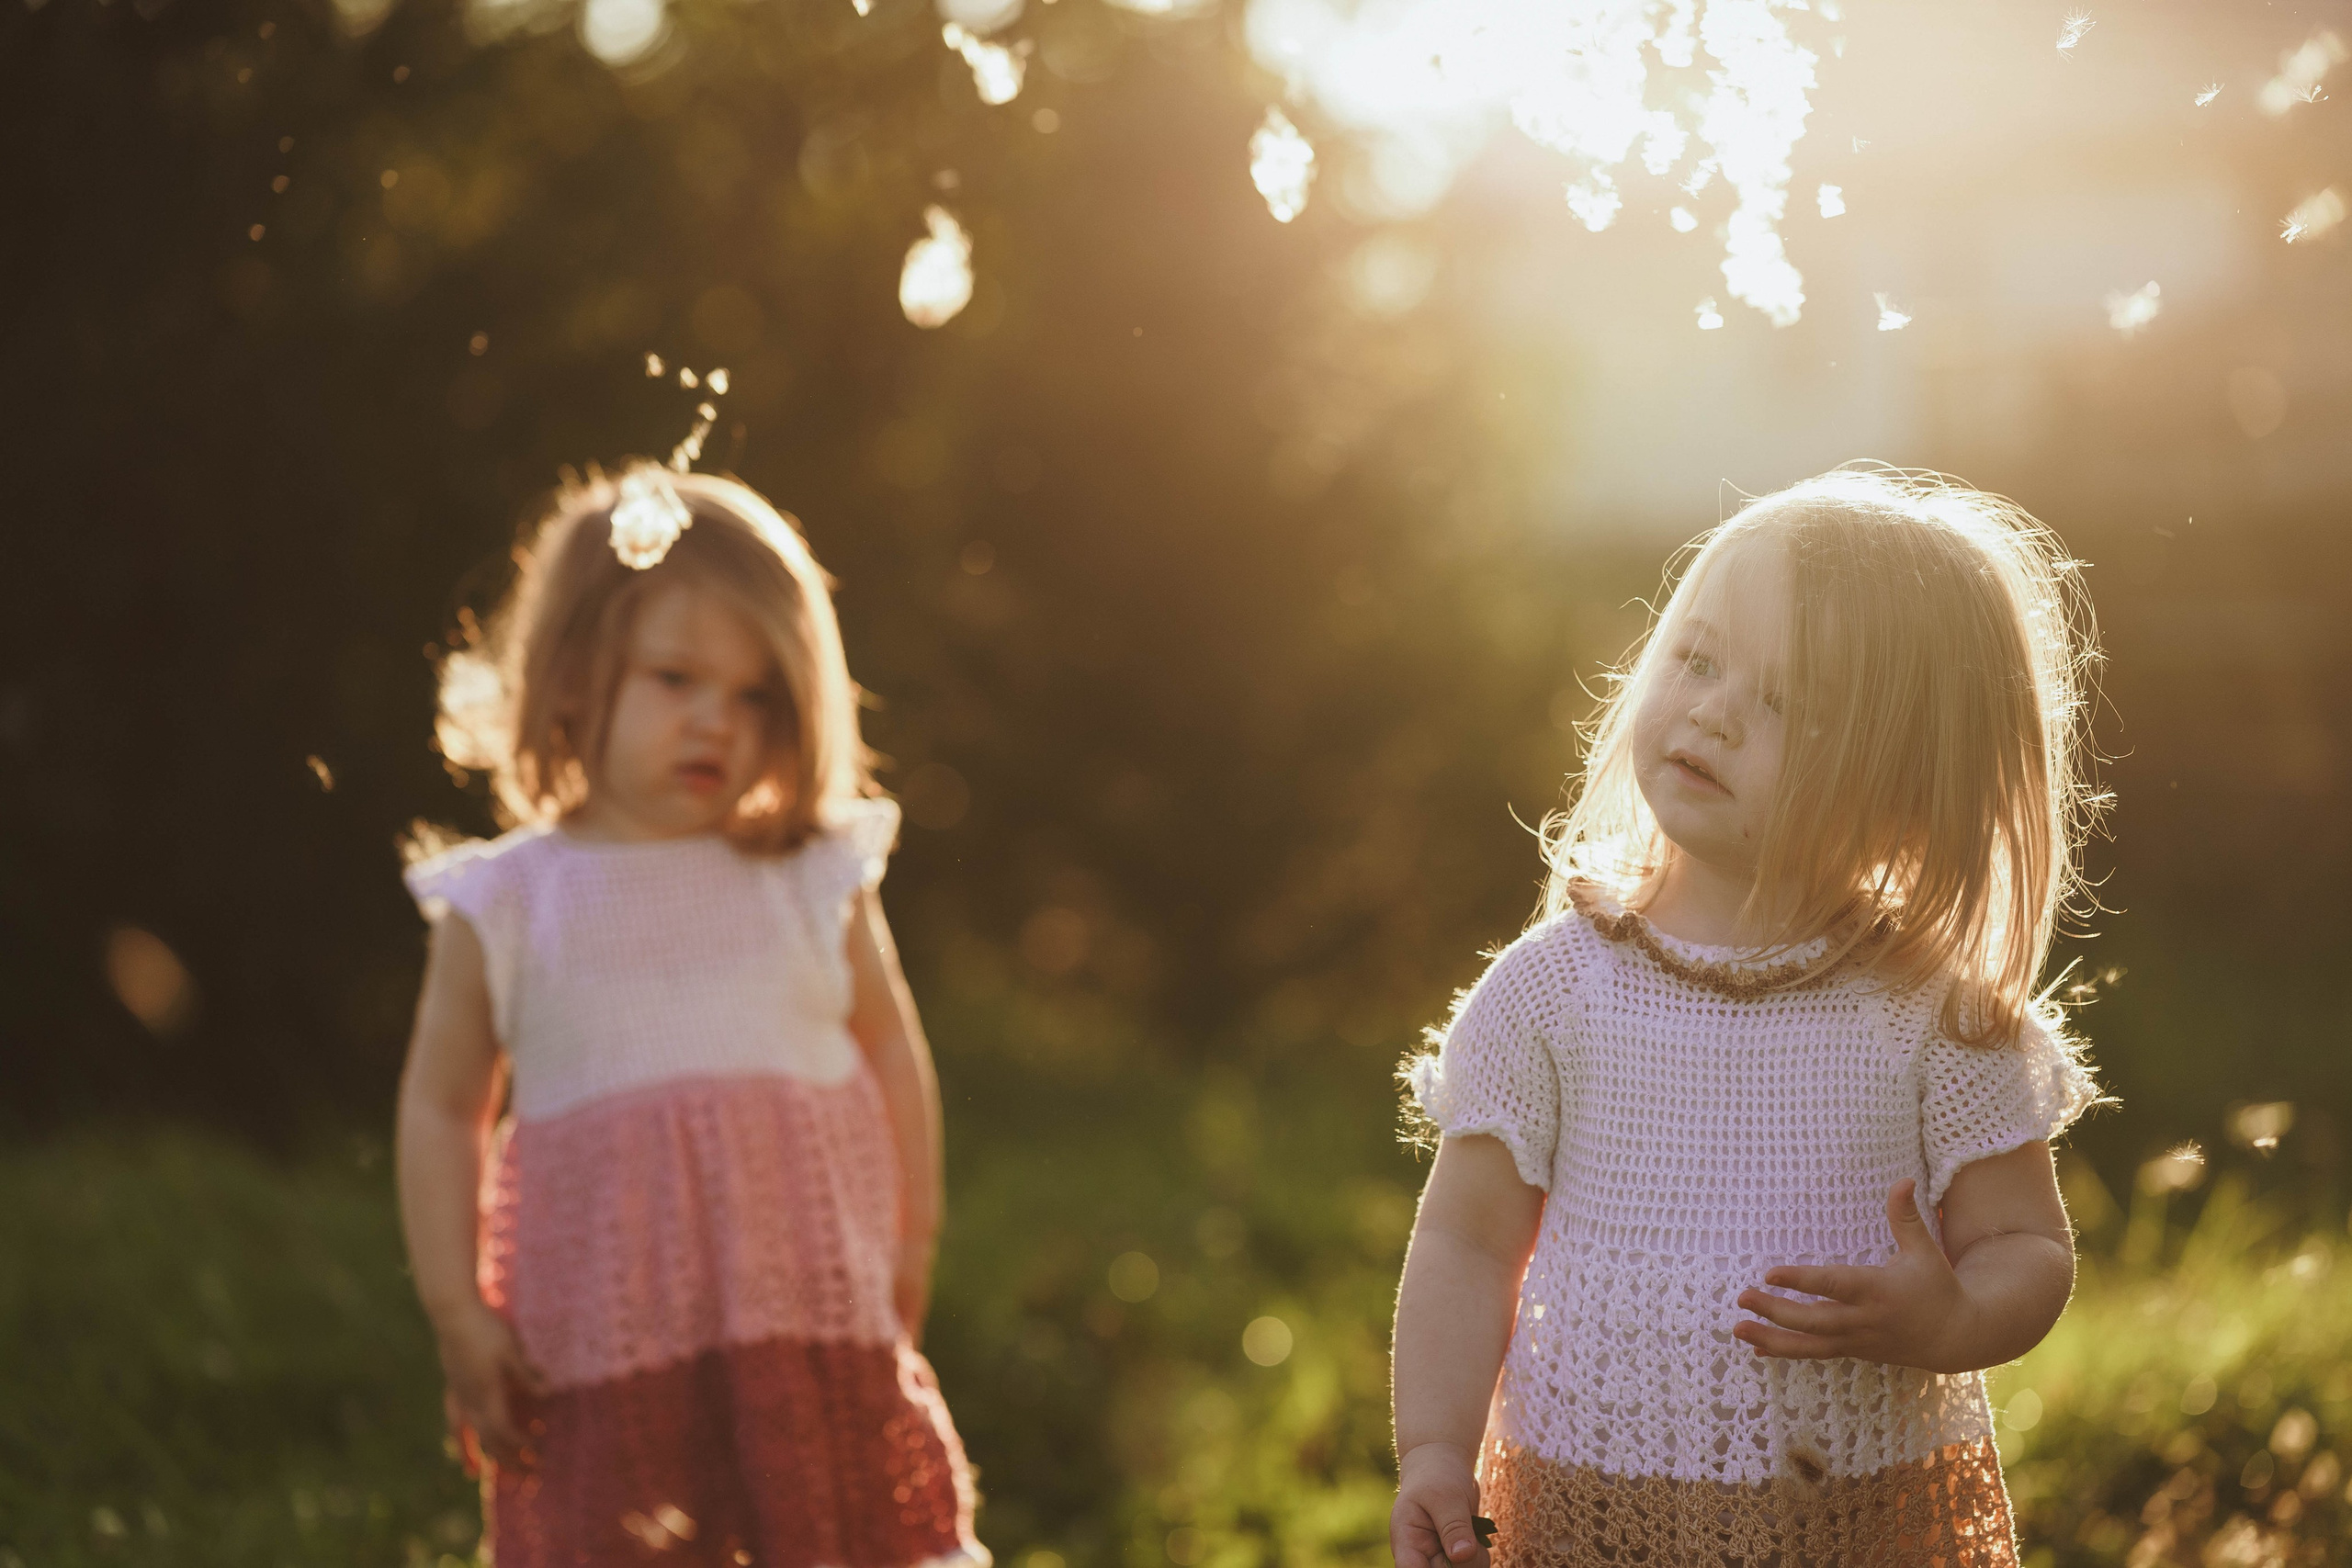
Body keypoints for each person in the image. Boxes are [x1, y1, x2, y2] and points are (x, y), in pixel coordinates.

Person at [1388, 467, 2107, 1566]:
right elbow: (1466, 1243)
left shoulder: (1931, 1016)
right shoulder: (1554, 990)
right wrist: (1435, 1450)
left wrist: (1955, 1323)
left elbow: (2023, 1242)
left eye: (1784, 704)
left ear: (1904, 785)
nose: (1712, 712)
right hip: (1590, 1504)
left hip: (1860, 1512)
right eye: (1697, 659)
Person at [394, 464, 989, 1568]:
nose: (718, 718)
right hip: (601, 1335)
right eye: (678, 678)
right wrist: (457, 1310)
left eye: (756, 692)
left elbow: (892, 1054)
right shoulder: (509, 902)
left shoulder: (808, 876)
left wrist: (912, 1236)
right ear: (573, 673)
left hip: (805, 1313)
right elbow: (443, 1109)